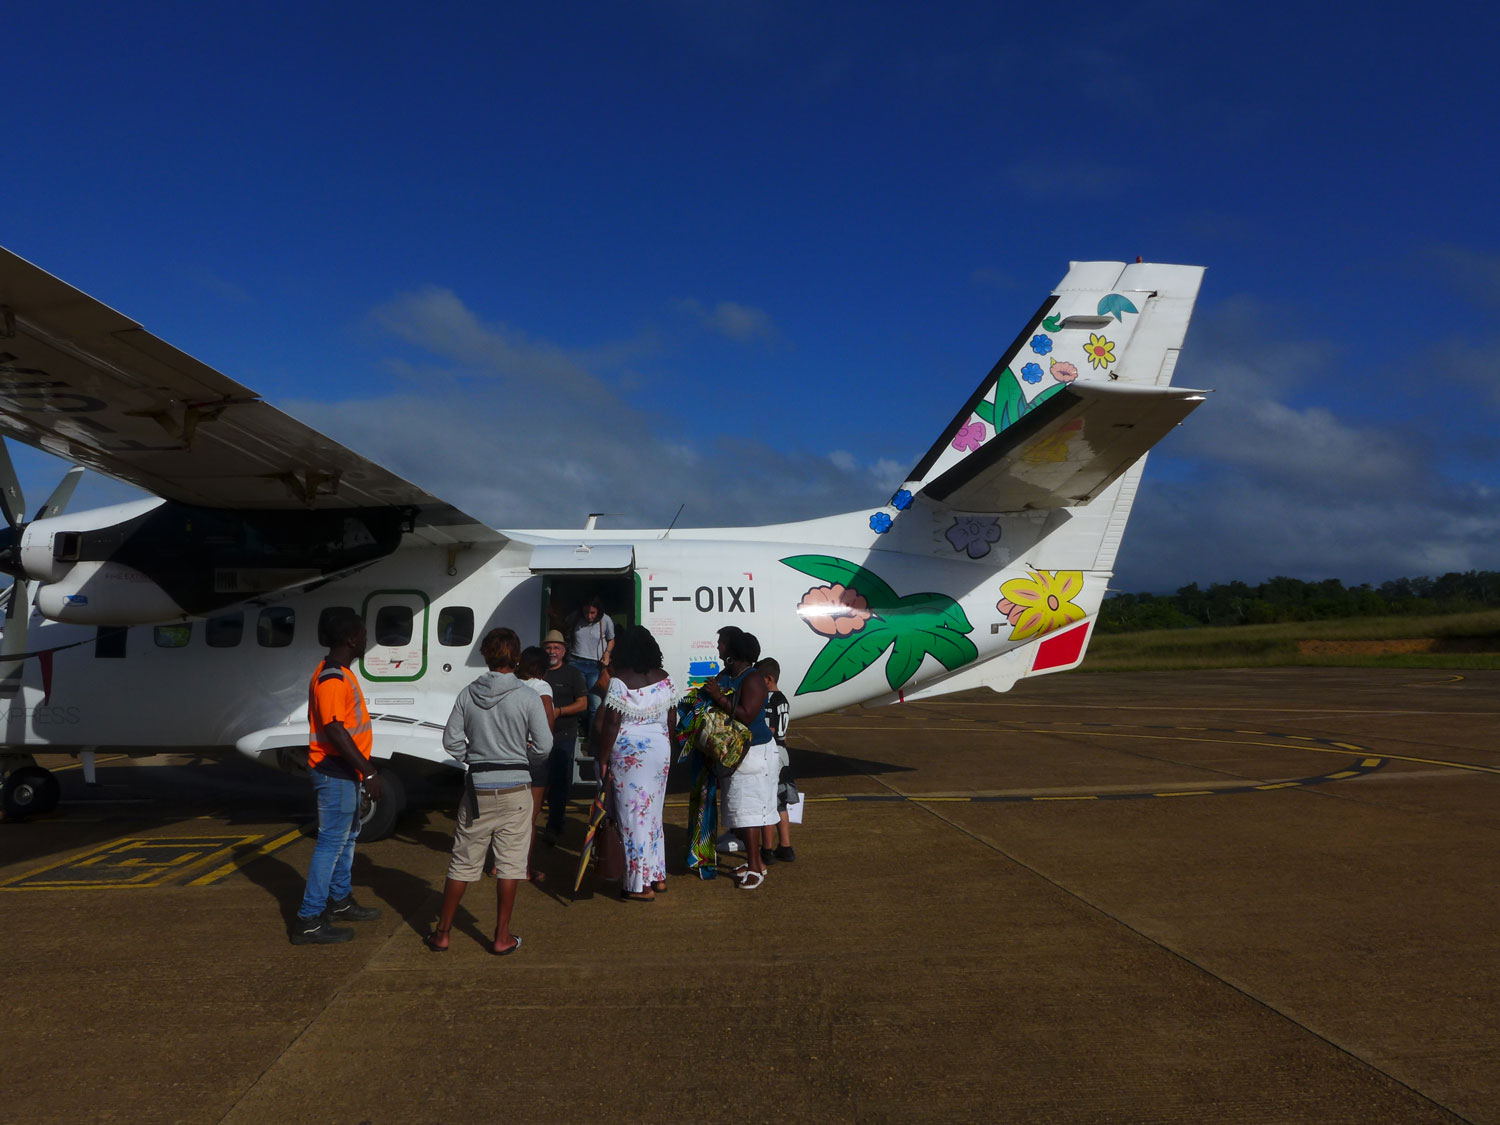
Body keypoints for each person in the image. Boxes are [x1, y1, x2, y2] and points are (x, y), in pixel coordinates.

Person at [426, 628, 551, 955]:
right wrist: (524, 760)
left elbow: (451, 741)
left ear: (486, 655)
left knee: (462, 863)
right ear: (517, 657)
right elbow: (545, 745)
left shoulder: (468, 694)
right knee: (511, 864)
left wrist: (477, 759)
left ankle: (442, 932)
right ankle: (501, 936)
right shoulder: (527, 696)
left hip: (478, 787)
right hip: (517, 788)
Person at [292, 610, 383, 945]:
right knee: (331, 844)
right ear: (351, 639)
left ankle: (339, 901)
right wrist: (368, 769)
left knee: (346, 840)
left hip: (343, 772)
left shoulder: (338, 672)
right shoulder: (332, 677)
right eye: (362, 633)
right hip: (334, 773)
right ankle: (309, 919)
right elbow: (334, 729)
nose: (365, 638)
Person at [590, 624, 676, 901]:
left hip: (629, 754)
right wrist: (666, 745)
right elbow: (671, 717)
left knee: (632, 818)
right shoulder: (664, 678)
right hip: (659, 748)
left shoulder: (620, 681)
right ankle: (657, 875)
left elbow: (612, 722)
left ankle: (640, 886)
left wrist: (603, 759)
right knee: (652, 816)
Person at [700, 627, 775, 890]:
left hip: (754, 752)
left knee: (749, 813)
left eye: (722, 644)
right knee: (738, 810)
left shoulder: (752, 679)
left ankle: (756, 867)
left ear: (734, 653)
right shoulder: (730, 674)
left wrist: (717, 696)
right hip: (734, 752)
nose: (718, 648)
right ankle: (756, 862)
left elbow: (746, 714)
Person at [541, 629, 587, 844]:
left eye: (556, 648)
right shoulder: (538, 673)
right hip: (538, 734)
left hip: (564, 734)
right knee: (538, 780)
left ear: (564, 651)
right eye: (548, 647)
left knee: (559, 781)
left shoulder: (572, 674)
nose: (552, 651)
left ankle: (555, 824)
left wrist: (558, 711)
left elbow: (583, 703)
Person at [517, 644, 556, 882]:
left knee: (510, 816)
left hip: (511, 751)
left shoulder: (513, 684)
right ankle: (523, 868)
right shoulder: (541, 686)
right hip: (533, 754)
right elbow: (547, 720)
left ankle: (497, 866)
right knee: (529, 817)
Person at [757, 657, 796, 864]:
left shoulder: (768, 701)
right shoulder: (783, 700)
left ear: (768, 679)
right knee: (781, 803)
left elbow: (769, 728)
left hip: (771, 751)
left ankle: (767, 850)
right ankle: (786, 846)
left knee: (767, 804)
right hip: (783, 752)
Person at [566, 594, 615, 733]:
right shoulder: (576, 617)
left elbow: (611, 639)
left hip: (595, 665)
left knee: (595, 704)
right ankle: (576, 732)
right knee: (577, 701)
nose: (589, 616)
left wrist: (607, 653)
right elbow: (562, 625)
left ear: (598, 611)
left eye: (592, 613)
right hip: (575, 662)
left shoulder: (605, 620)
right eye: (586, 612)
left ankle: (593, 738)